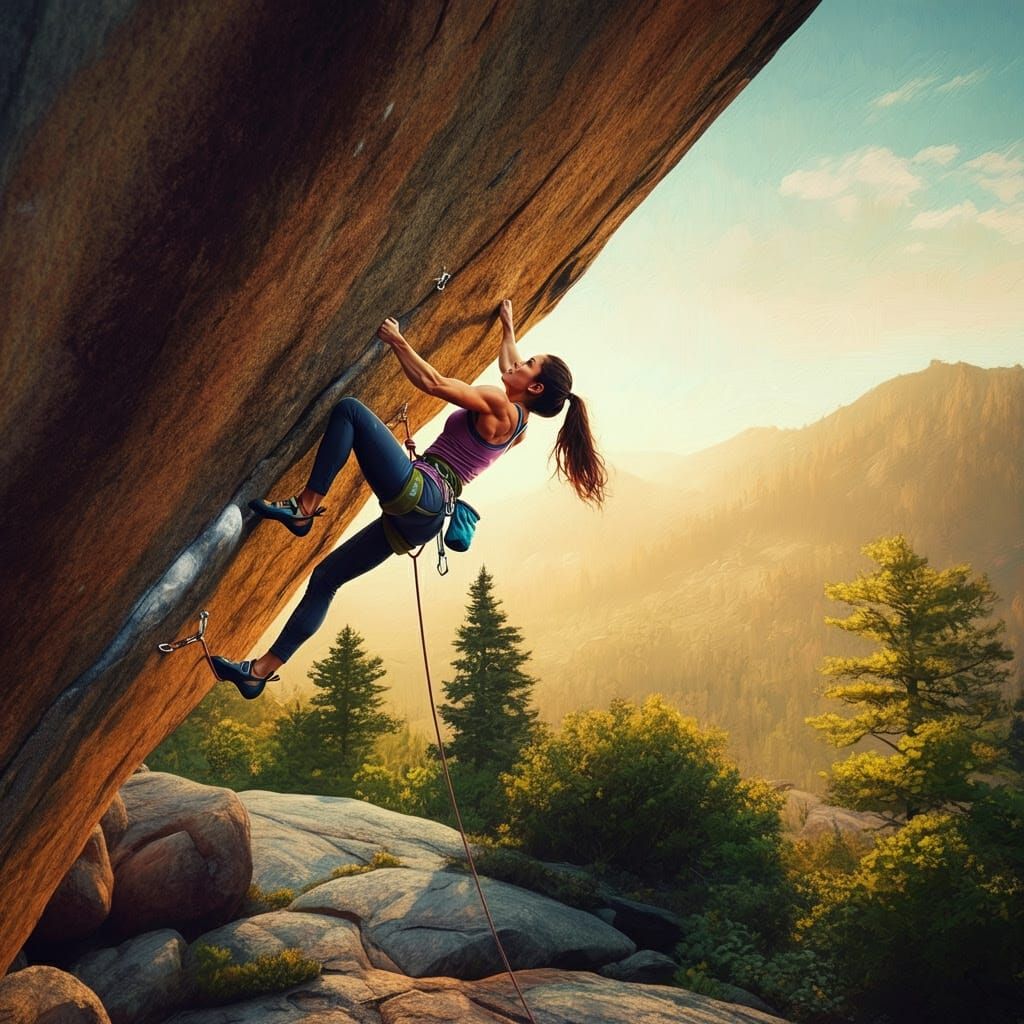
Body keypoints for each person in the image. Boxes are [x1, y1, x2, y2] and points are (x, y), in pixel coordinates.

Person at [211, 299, 607, 698]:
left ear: (534, 387)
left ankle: (305, 508)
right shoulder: (518, 426)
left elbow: (434, 383)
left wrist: (397, 341)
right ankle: (258, 673)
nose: (516, 365)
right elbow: (510, 366)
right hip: (425, 516)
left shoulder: (499, 403)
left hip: (424, 493)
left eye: (528, 365)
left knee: (349, 410)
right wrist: (507, 329)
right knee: (326, 579)